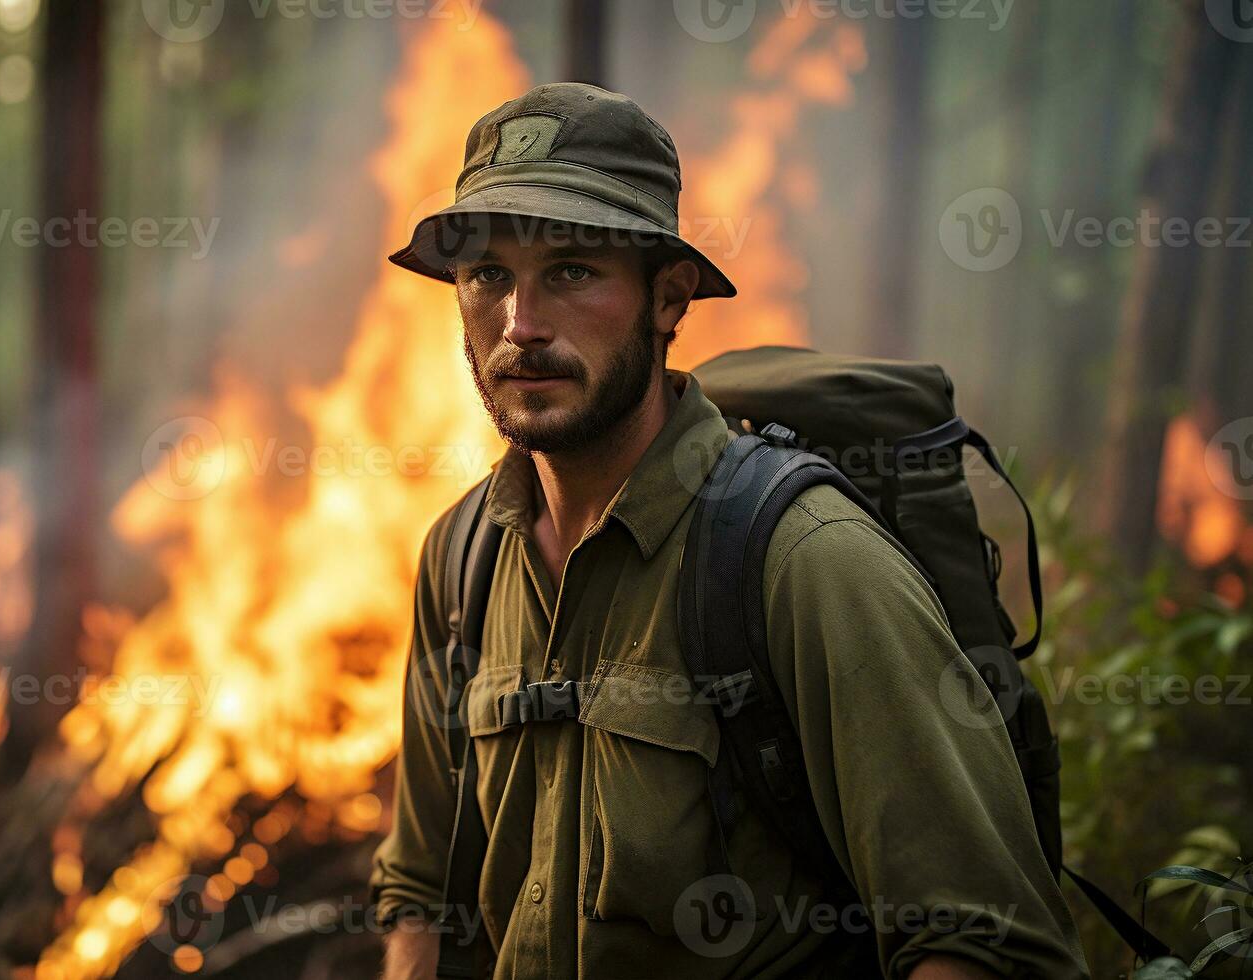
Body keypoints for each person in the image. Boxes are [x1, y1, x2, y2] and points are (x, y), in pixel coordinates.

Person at [368, 81, 1089, 980]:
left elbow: (983, 942)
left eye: (572, 270)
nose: (521, 324)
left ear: (669, 299)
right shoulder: (464, 557)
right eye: (488, 276)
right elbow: (420, 886)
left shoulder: (804, 558)